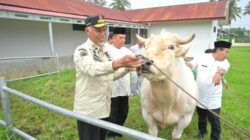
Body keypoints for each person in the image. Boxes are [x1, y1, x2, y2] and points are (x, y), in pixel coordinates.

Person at [73, 15, 141, 140]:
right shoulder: (82, 50)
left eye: (104, 29)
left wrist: (127, 68)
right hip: (89, 110)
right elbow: (92, 69)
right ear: (88, 31)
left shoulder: (105, 50)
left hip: (104, 108)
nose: (103, 33)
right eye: (99, 30)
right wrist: (119, 63)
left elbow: (112, 75)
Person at [187, 40, 231, 140]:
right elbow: (191, 64)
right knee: (201, 117)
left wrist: (219, 73)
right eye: (226, 52)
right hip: (200, 95)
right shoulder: (202, 56)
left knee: (215, 120)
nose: (227, 55)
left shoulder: (225, 62)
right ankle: (202, 132)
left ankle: (215, 138)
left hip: (214, 98)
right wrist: (186, 65)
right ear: (219, 50)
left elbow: (223, 69)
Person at [106, 27, 134, 138]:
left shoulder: (127, 51)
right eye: (120, 38)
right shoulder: (107, 50)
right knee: (112, 112)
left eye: (124, 38)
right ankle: (110, 131)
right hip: (112, 87)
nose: (123, 40)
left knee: (124, 111)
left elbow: (136, 59)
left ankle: (118, 129)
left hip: (124, 87)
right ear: (113, 38)